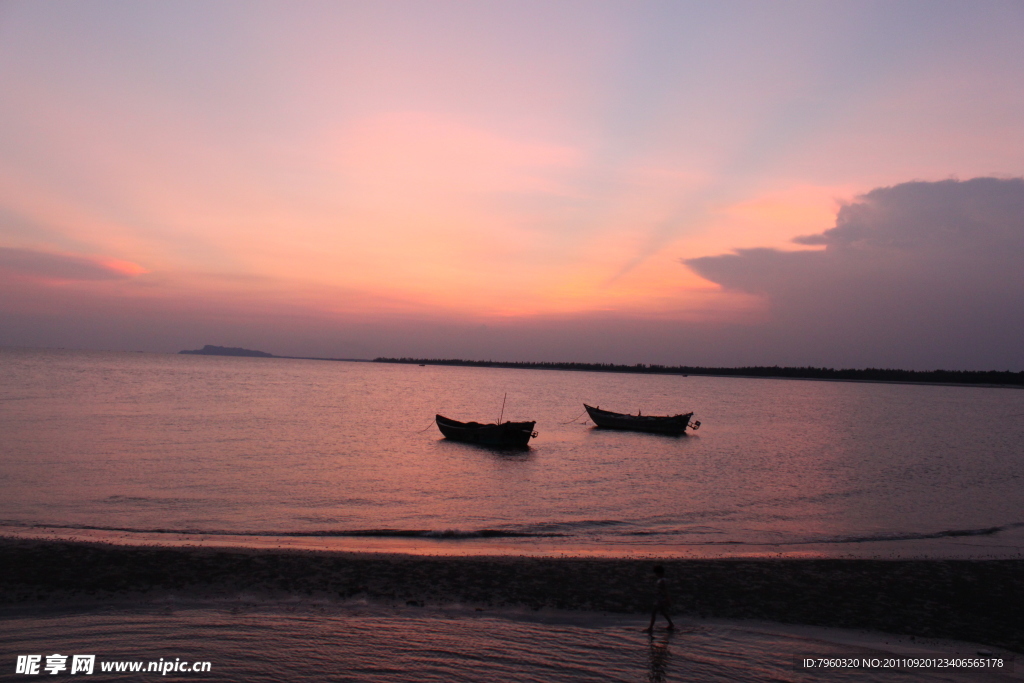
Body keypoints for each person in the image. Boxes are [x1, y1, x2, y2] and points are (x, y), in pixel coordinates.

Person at [644, 565, 675, 633]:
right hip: (659, 598)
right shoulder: (661, 580)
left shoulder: (662, 581)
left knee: (654, 612)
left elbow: (665, 590)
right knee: (663, 612)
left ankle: (650, 628)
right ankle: (670, 623)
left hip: (660, 599)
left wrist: (668, 599)